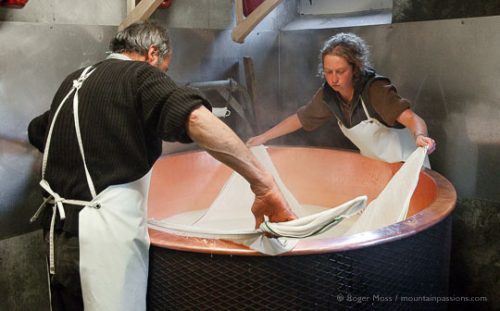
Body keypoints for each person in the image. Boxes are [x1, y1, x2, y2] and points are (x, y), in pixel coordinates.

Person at [27, 21, 296, 311]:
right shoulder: (140, 75)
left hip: (58, 236)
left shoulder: (74, 80)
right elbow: (194, 119)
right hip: (103, 238)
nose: (164, 77)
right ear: (152, 53)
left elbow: (38, 131)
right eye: (165, 70)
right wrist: (263, 184)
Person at [247, 33, 436, 166]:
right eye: (328, 72)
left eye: (340, 72)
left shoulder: (375, 89)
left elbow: (412, 118)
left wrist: (420, 136)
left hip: (407, 165)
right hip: (376, 167)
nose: (333, 79)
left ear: (355, 68)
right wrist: (262, 138)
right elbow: (300, 119)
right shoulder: (329, 94)